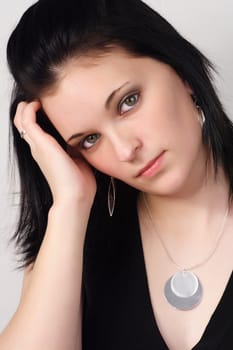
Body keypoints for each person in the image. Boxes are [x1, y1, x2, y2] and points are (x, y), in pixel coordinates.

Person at [1, 0, 233, 349]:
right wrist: (69, 204)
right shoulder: (72, 241)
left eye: (128, 102)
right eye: (90, 140)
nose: (126, 150)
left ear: (180, 72)